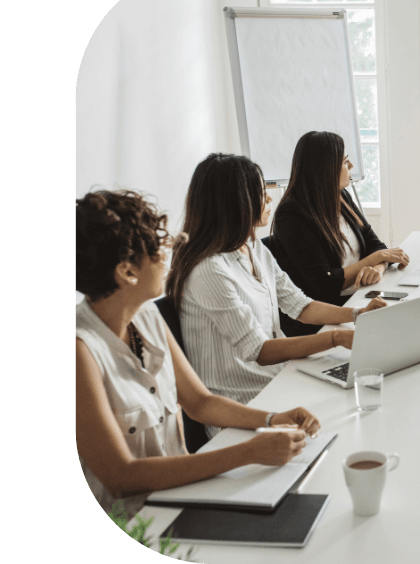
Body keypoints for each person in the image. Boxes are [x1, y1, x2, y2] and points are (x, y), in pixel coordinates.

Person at [76, 189, 323, 518]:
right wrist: (247, 452)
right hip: (140, 522)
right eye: (157, 248)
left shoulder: (145, 314)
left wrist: (271, 419)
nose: (168, 254)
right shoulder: (82, 350)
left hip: (184, 495)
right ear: (127, 271)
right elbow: (122, 477)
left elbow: (200, 403)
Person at [165, 153, 387, 433]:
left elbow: (299, 305)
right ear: (235, 203)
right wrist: (336, 337)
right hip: (244, 408)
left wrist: (357, 314)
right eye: (261, 192)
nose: (270, 198)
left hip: (279, 382)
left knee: (366, 399)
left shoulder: (252, 246)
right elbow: (260, 351)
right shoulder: (208, 269)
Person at [267, 131, 410, 337]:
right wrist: (377, 258)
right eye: (345, 162)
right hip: (327, 319)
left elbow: (375, 243)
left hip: (359, 298)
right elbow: (325, 284)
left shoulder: (340, 196)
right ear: (325, 169)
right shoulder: (291, 214)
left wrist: (377, 268)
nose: (351, 167)